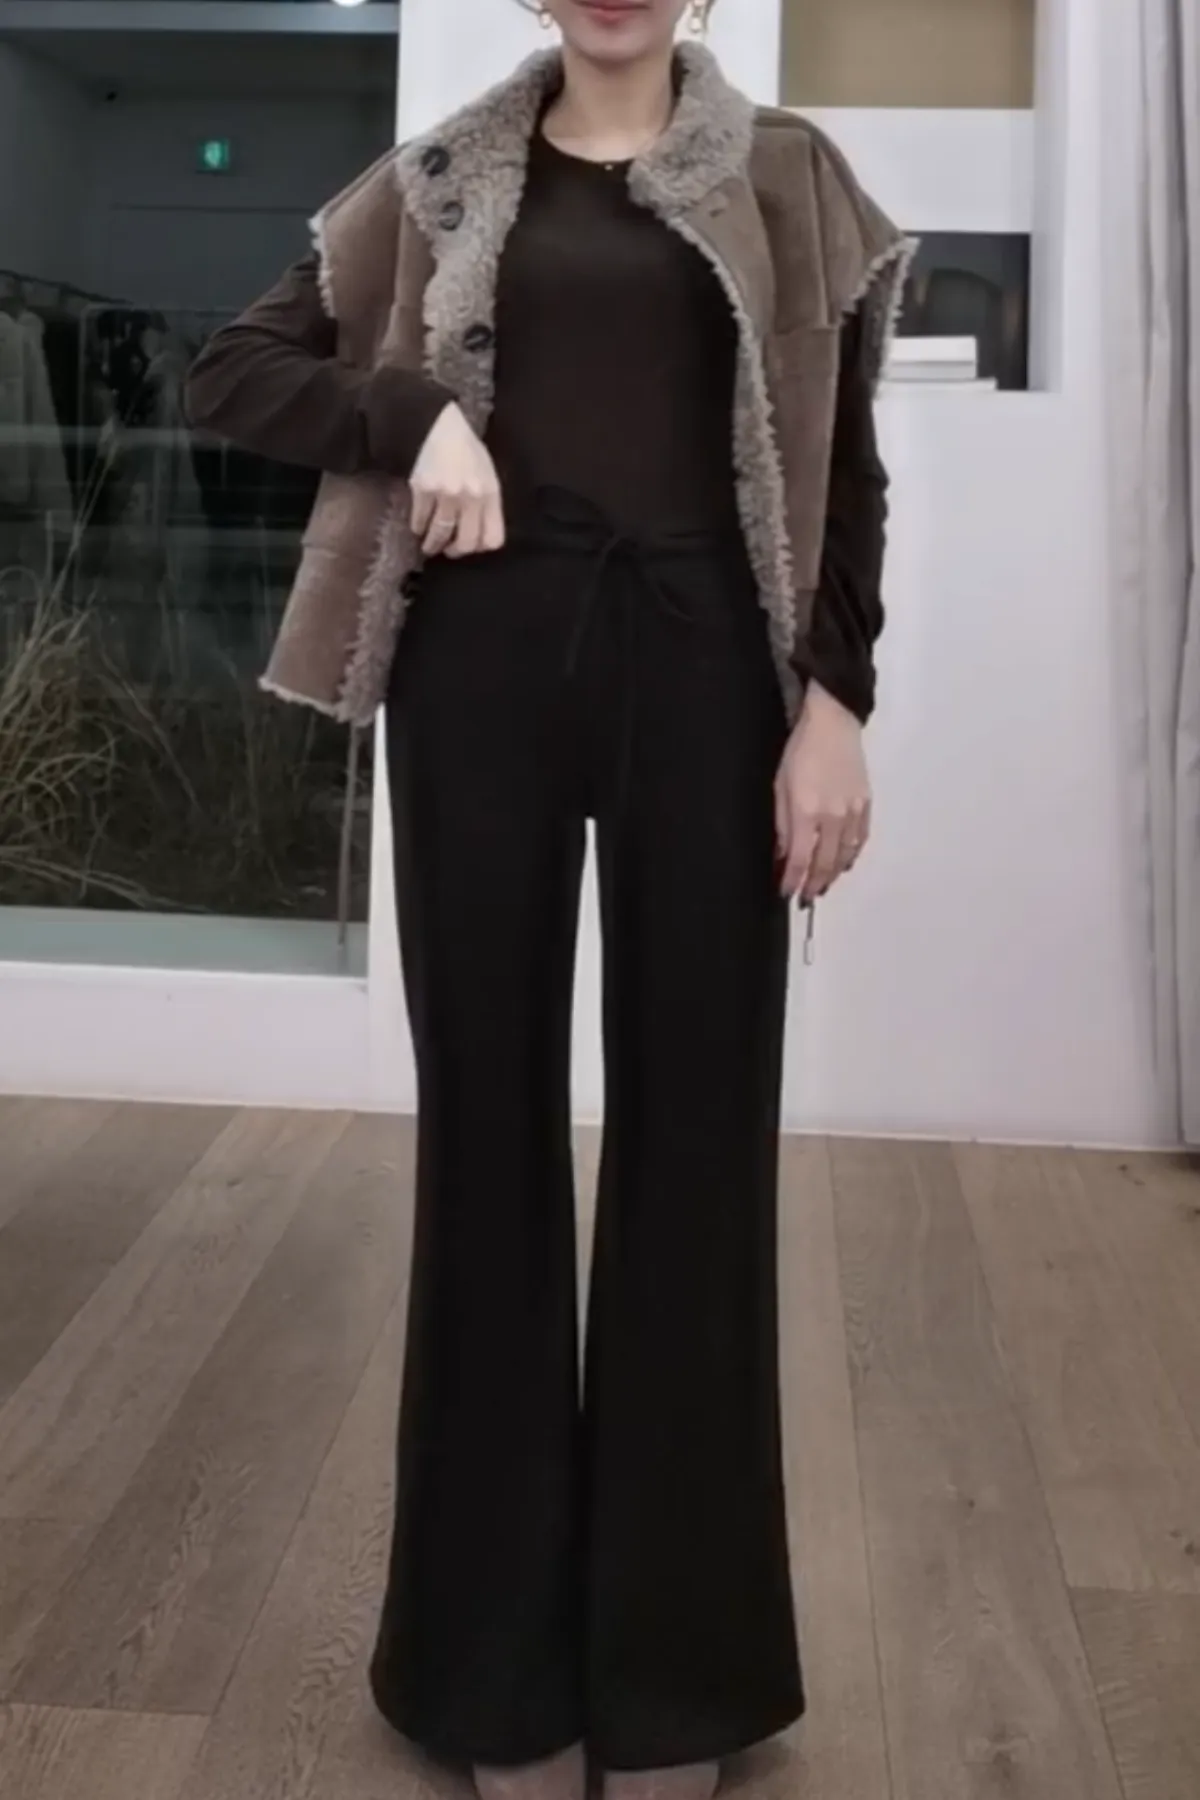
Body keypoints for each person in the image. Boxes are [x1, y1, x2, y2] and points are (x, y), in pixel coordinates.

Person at [184, 3, 912, 1797]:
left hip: (709, 680)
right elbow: (234, 374)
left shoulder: (789, 176)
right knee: (488, 1145)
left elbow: (844, 472)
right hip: (483, 678)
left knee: (699, 1151)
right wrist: (414, 408)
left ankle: (680, 1685)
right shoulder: (438, 179)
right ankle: (491, 1678)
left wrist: (833, 704)